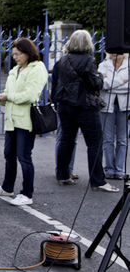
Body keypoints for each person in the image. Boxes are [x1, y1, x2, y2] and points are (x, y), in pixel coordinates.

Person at [52, 30, 119, 192]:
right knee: (95, 143)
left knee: (66, 141)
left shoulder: (61, 61)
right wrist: (101, 78)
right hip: (85, 106)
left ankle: (62, 175)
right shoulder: (89, 61)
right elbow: (94, 84)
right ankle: (98, 180)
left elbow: (54, 84)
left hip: (65, 106)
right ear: (88, 43)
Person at [0, 38, 49, 206]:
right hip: (11, 120)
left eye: (17, 54)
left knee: (24, 157)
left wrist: (8, 97)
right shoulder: (15, 70)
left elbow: (30, 95)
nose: (14, 57)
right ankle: (8, 187)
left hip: (26, 120)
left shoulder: (37, 69)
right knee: (9, 154)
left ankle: (27, 194)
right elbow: (7, 94)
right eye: (13, 54)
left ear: (27, 52)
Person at [98, 52, 129, 180]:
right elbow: (101, 84)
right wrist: (122, 81)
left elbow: (107, 84)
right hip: (107, 106)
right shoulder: (103, 65)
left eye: (119, 52)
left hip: (125, 106)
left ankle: (120, 169)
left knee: (122, 139)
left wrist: (110, 84)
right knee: (108, 139)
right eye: (113, 52)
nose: (115, 55)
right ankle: (109, 168)